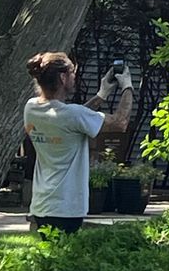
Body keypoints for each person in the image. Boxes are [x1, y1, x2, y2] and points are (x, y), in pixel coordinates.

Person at [22, 52, 126, 234]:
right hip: (66, 207)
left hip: (41, 205)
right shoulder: (72, 115)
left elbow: (73, 119)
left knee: (50, 258)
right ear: (62, 78)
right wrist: (128, 87)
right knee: (65, 259)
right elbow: (120, 122)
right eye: (72, 73)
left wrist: (101, 95)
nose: (74, 77)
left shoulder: (31, 108)